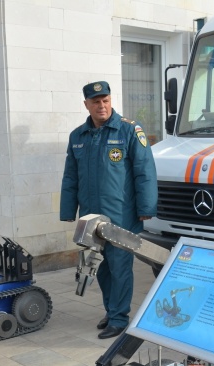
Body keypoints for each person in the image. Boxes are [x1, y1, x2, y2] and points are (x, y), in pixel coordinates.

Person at [60, 81, 158, 339]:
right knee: (99, 266)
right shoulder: (78, 136)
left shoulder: (128, 130)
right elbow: (71, 177)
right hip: (91, 219)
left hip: (121, 216)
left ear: (110, 100)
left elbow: (144, 170)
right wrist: (69, 210)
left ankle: (119, 318)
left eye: (105, 100)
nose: (101, 106)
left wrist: (146, 207)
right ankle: (111, 310)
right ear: (86, 105)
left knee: (120, 266)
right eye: (95, 102)